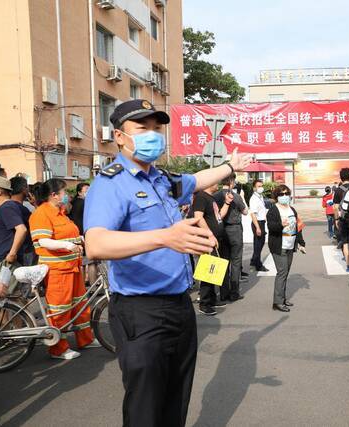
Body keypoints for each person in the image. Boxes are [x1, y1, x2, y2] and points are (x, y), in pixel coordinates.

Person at [83, 99, 252, 427]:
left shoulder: (160, 179)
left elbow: (197, 180)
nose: (152, 135)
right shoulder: (110, 182)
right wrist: (164, 237)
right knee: (146, 407)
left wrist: (231, 166)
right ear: (119, 136)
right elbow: (96, 243)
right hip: (140, 311)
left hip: (178, 306)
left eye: (157, 128)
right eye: (142, 128)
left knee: (176, 398)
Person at [30, 179, 100, 360]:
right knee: (59, 310)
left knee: (81, 306)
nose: (66, 195)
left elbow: (70, 234)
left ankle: (86, 339)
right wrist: (68, 246)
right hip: (58, 270)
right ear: (54, 195)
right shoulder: (41, 213)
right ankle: (58, 349)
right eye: (63, 192)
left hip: (73, 267)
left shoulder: (60, 213)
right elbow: (43, 241)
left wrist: (81, 240)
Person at [192, 182, 230, 315]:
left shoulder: (211, 198)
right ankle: (204, 303)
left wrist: (227, 203)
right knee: (208, 271)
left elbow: (219, 216)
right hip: (207, 240)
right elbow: (198, 218)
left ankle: (212, 299)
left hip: (215, 239)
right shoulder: (201, 197)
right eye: (216, 182)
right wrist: (210, 235)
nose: (218, 184)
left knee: (213, 270)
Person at [266, 185, 305, 312]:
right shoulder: (273, 210)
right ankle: (277, 302)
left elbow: (297, 227)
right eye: (281, 194)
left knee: (285, 272)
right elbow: (271, 227)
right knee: (282, 273)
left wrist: (301, 244)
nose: (284, 196)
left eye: (286, 193)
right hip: (279, 245)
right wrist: (280, 225)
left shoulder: (292, 209)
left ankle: (282, 299)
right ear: (276, 196)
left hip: (290, 245)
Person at [214, 173, 249, 301]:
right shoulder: (235, 196)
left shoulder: (215, 196)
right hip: (235, 229)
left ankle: (223, 293)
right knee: (235, 261)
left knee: (223, 261)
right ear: (232, 182)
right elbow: (245, 212)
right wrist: (243, 199)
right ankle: (234, 293)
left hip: (221, 230)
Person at [0, 176, 31, 269]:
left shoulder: (7, 207)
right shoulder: (3, 208)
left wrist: (12, 253)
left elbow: (21, 229)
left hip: (6, 263)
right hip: (1, 260)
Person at [9, 176, 35, 266]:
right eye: (27, 187)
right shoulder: (22, 209)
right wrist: (35, 205)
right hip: (25, 251)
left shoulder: (6, 206)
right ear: (24, 189)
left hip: (11, 251)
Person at [249, 179, 269, 272]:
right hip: (257, 223)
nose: (261, 188)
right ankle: (258, 265)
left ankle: (253, 261)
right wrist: (257, 227)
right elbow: (253, 214)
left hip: (262, 222)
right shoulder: (253, 199)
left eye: (261, 186)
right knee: (258, 245)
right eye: (259, 186)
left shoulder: (260, 196)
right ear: (254, 188)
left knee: (259, 244)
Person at [333, 168, 349, 254]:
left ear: (341, 178)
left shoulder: (338, 190)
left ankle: (348, 263)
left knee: (345, 242)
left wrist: (336, 219)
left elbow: (336, 207)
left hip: (343, 218)